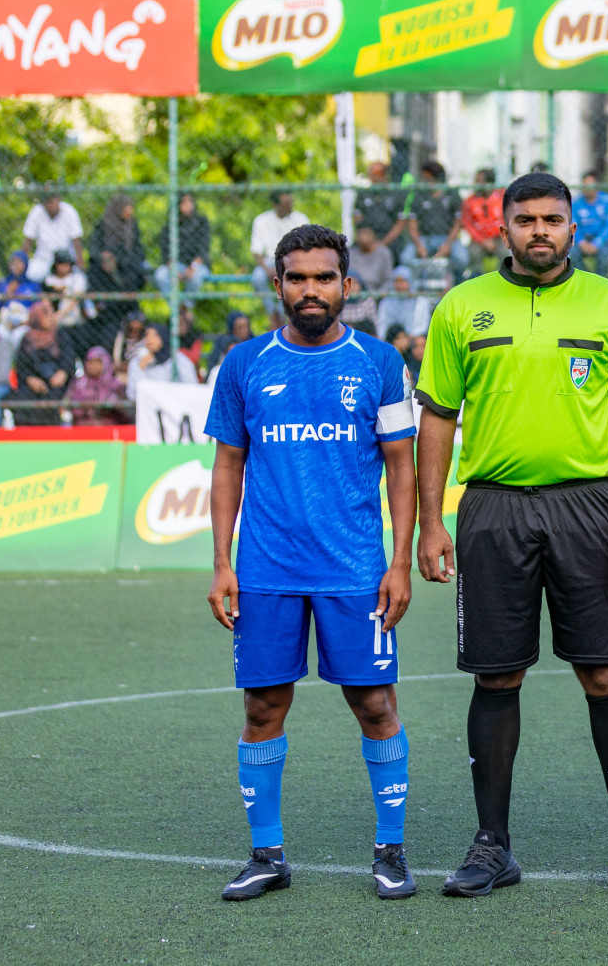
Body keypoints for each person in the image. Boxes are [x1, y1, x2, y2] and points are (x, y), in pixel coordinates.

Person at [414, 172, 608, 898]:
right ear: (503, 228)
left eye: (552, 219)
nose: (539, 231)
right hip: (492, 508)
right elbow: (438, 417)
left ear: (573, 229)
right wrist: (431, 521)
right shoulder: (463, 308)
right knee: (496, 676)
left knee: (605, 672)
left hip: (589, 506)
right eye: (525, 219)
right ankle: (492, 845)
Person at [205, 223, 419, 902]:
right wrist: (221, 562)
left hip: (356, 568)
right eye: (296, 278)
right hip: (266, 569)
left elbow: (401, 469)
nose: (310, 290)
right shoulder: (244, 364)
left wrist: (400, 563)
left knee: (374, 704)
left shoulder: (380, 362)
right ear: (277, 286)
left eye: (324, 277)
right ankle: (267, 854)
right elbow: (227, 466)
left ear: (347, 286)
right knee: (264, 706)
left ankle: (391, 851)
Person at [11, 300, 78, 424]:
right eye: (46, 315)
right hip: (34, 382)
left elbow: (69, 358)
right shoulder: (27, 339)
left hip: (56, 381)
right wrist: (30, 379)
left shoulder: (60, 335)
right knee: (23, 398)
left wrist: (63, 372)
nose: (51, 319)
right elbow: (21, 365)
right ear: (37, 318)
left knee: (53, 398)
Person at [401, 161, 467, 279]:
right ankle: (415, 291)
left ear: (437, 178)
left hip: (447, 237)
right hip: (424, 238)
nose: (424, 180)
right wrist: (419, 245)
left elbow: (458, 224)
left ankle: (456, 285)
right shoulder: (419, 195)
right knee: (406, 258)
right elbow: (412, 225)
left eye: (427, 178)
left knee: (462, 259)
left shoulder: (452, 194)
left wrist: (447, 244)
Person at [250, 192, 310, 293]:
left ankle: (286, 308)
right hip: (269, 262)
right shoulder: (262, 220)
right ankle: (273, 308)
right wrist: (267, 270)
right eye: (286, 203)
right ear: (275, 204)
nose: (290, 206)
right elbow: (256, 251)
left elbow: (307, 248)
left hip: (294, 261)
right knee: (258, 278)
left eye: (291, 202)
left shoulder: (300, 219)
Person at [155, 192, 213, 296]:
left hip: (197, 265)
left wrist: (192, 268)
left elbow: (203, 249)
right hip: (176, 265)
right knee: (160, 275)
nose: (188, 206)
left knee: (195, 278)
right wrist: (173, 269)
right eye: (184, 202)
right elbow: (165, 252)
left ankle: (186, 306)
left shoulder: (201, 222)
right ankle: (177, 308)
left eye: (190, 202)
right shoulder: (171, 224)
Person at [21, 190, 84, 283]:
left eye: (56, 202)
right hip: (43, 260)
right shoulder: (36, 212)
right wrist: (22, 261)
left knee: (79, 280)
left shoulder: (69, 211)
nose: (54, 206)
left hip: (65, 261)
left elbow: (76, 241)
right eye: (50, 202)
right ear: (44, 203)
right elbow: (28, 240)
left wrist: (80, 264)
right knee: (30, 274)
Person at [89, 194, 147, 294]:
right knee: (94, 273)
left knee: (136, 272)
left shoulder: (132, 225)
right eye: (127, 209)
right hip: (105, 262)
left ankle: (131, 306)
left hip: (127, 261)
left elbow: (138, 249)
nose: (130, 212)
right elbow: (93, 247)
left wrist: (120, 260)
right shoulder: (104, 224)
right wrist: (103, 257)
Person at [125, 322, 199, 397]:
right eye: (147, 335)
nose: (149, 339)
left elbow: (192, 385)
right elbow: (132, 394)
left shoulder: (177, 359)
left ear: (163, 337)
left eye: (155, 335)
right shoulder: (138, 361)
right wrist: (141, 367)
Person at [571, 171, 608, 276]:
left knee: (603, 255)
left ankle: (600, 283)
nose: (587, 188)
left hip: (603, 239)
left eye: (590, 185)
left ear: (597, 185)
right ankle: (586, 279)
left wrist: (597, 242)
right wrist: (581, 242)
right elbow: (573, 225)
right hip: (582, 239)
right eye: (584, 185)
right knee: (572, 254)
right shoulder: (575, 203)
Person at [354, 162, 409, 251]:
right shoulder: (363, 194)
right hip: (368, 237)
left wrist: (383, 243)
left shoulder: (395, 194)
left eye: (378, 174)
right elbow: (357, 219)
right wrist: (367, 238)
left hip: (390, 239)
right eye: (371, 174)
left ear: (385, 175)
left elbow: (400, 223)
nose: (374, 177)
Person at [67, 346, 127, 425]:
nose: (93, 365)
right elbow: (67, 404)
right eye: (90, 362)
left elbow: (124, 410)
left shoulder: (115, 384)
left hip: (110, 428)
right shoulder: (78, 384)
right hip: (83, 428)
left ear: (105, 363)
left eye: (97, 362)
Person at [461, 169, 504, 273]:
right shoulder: (470, 201)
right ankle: (478, 282)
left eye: (480, 181)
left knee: (505, 253)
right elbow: (467, 223)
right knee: (473, 253)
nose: (476, 184)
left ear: (489, 183)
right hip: (479, 239)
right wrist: (483, 241)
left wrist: (499, 235)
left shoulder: (502, 197)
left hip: (500, 237)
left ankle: (501, 282)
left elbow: (508, 220)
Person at [0, 251, 41, 342]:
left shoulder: (32, 285)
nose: (16, 265)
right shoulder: (4, 284)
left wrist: (27, 320)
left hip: (24, 324)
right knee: (0, 333)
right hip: (6, 323)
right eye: (13, 263)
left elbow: (38, 306)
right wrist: (7, 293)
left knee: (18, 336)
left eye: (19, 262)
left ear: (25, 264)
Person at [376, 266, 430, 340]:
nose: (399, 285)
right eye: (396, 281)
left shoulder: (421, 302)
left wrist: (407, 339)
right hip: (391, 340)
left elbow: (423, 326)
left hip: (413, 341)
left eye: (402, 281)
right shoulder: (386, 302)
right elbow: (382, 325)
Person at [42, 249, 93, 329]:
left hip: (74, 314)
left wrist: (59, 315)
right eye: (62, 263)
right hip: (53, 314)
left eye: (68, 263)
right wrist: (51, 315)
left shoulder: (77, 277)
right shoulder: (49, 279)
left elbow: (76, 298)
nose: (65, 266)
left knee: (68, 292)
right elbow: (45, 298)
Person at [208, 312, 253, 377]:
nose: (244, 330)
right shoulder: (225, 343)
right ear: (233, 329)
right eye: (240, 328)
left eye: (246, 327)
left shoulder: (253, 343)